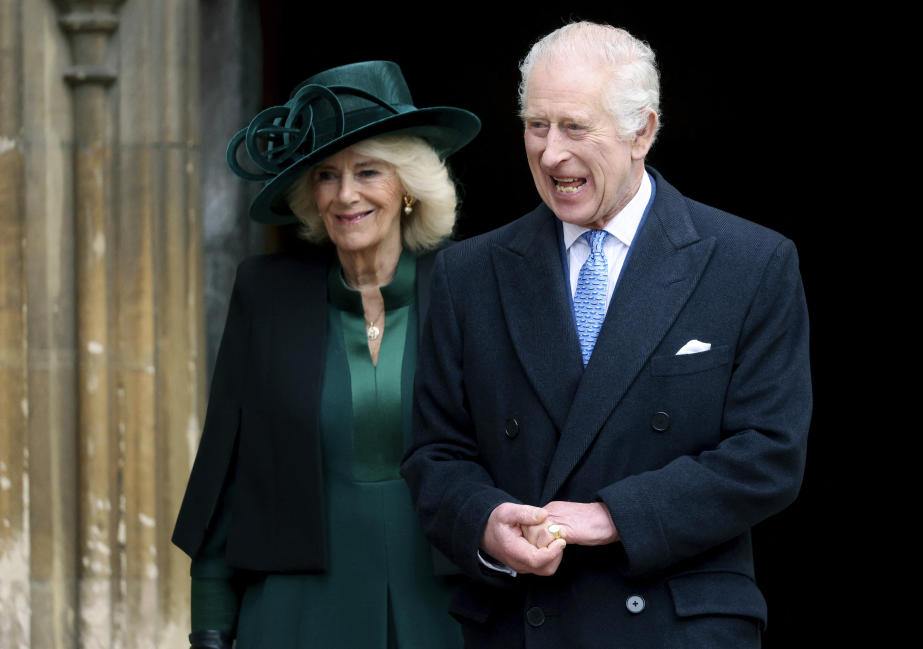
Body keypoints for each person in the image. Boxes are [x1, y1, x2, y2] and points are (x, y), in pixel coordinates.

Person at [400, 22, 812, 649]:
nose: (550, 153)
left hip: (676, 625)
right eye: (536, 126)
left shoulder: (750, 263)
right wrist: (485, 523)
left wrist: (615, 515)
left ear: (642, 131)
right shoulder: (467, 274)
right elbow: (435, 455)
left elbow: (770, 454)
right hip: (523, 621)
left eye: (574, 127)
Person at [172, 60, 480, 649]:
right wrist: (209, 620)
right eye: (326, 176)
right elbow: (224, 466)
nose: (346, 195)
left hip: (443, 607)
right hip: (297, 610)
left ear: (409, 186)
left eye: (369, 171)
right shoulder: (266, 294)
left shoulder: (472, 287)